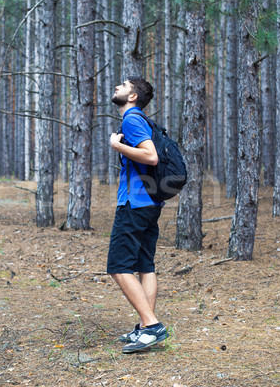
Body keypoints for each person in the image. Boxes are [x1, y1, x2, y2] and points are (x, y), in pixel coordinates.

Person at [108, 77, 168, 354]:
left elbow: (151, 157)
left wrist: (117, 146)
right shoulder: (141, 119)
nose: (117, 87)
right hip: (149, 201)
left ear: (132, 96)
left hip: (135, 201)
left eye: (123, 85)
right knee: (146, 265)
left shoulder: (132, 119)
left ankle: (152, 325)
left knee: (119, 266)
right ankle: (146, 328)